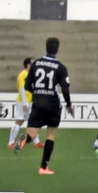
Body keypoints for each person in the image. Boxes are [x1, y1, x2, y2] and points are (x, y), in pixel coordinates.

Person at [25, 37, 73, 175]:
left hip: (38, 102)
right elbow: (65, 89)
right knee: (50, 135)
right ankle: (44, 167)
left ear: (46, 47)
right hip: (52, 104)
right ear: (57, 49)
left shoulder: (36, 64)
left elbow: (27, 85)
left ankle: (21, 141)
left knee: (31, 133)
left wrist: (37, 94)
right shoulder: (61, 67)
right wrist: (69, 105)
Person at [7, 58, 36, 149]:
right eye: (32, 63)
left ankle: (36, 142)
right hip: (23, 102)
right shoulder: (22, 75)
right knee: (20, 121)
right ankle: (11, 142)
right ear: (28, 65)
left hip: (29, 101)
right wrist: (24, 103)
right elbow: (22, 89)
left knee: (33, 121)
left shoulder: (31, 74)